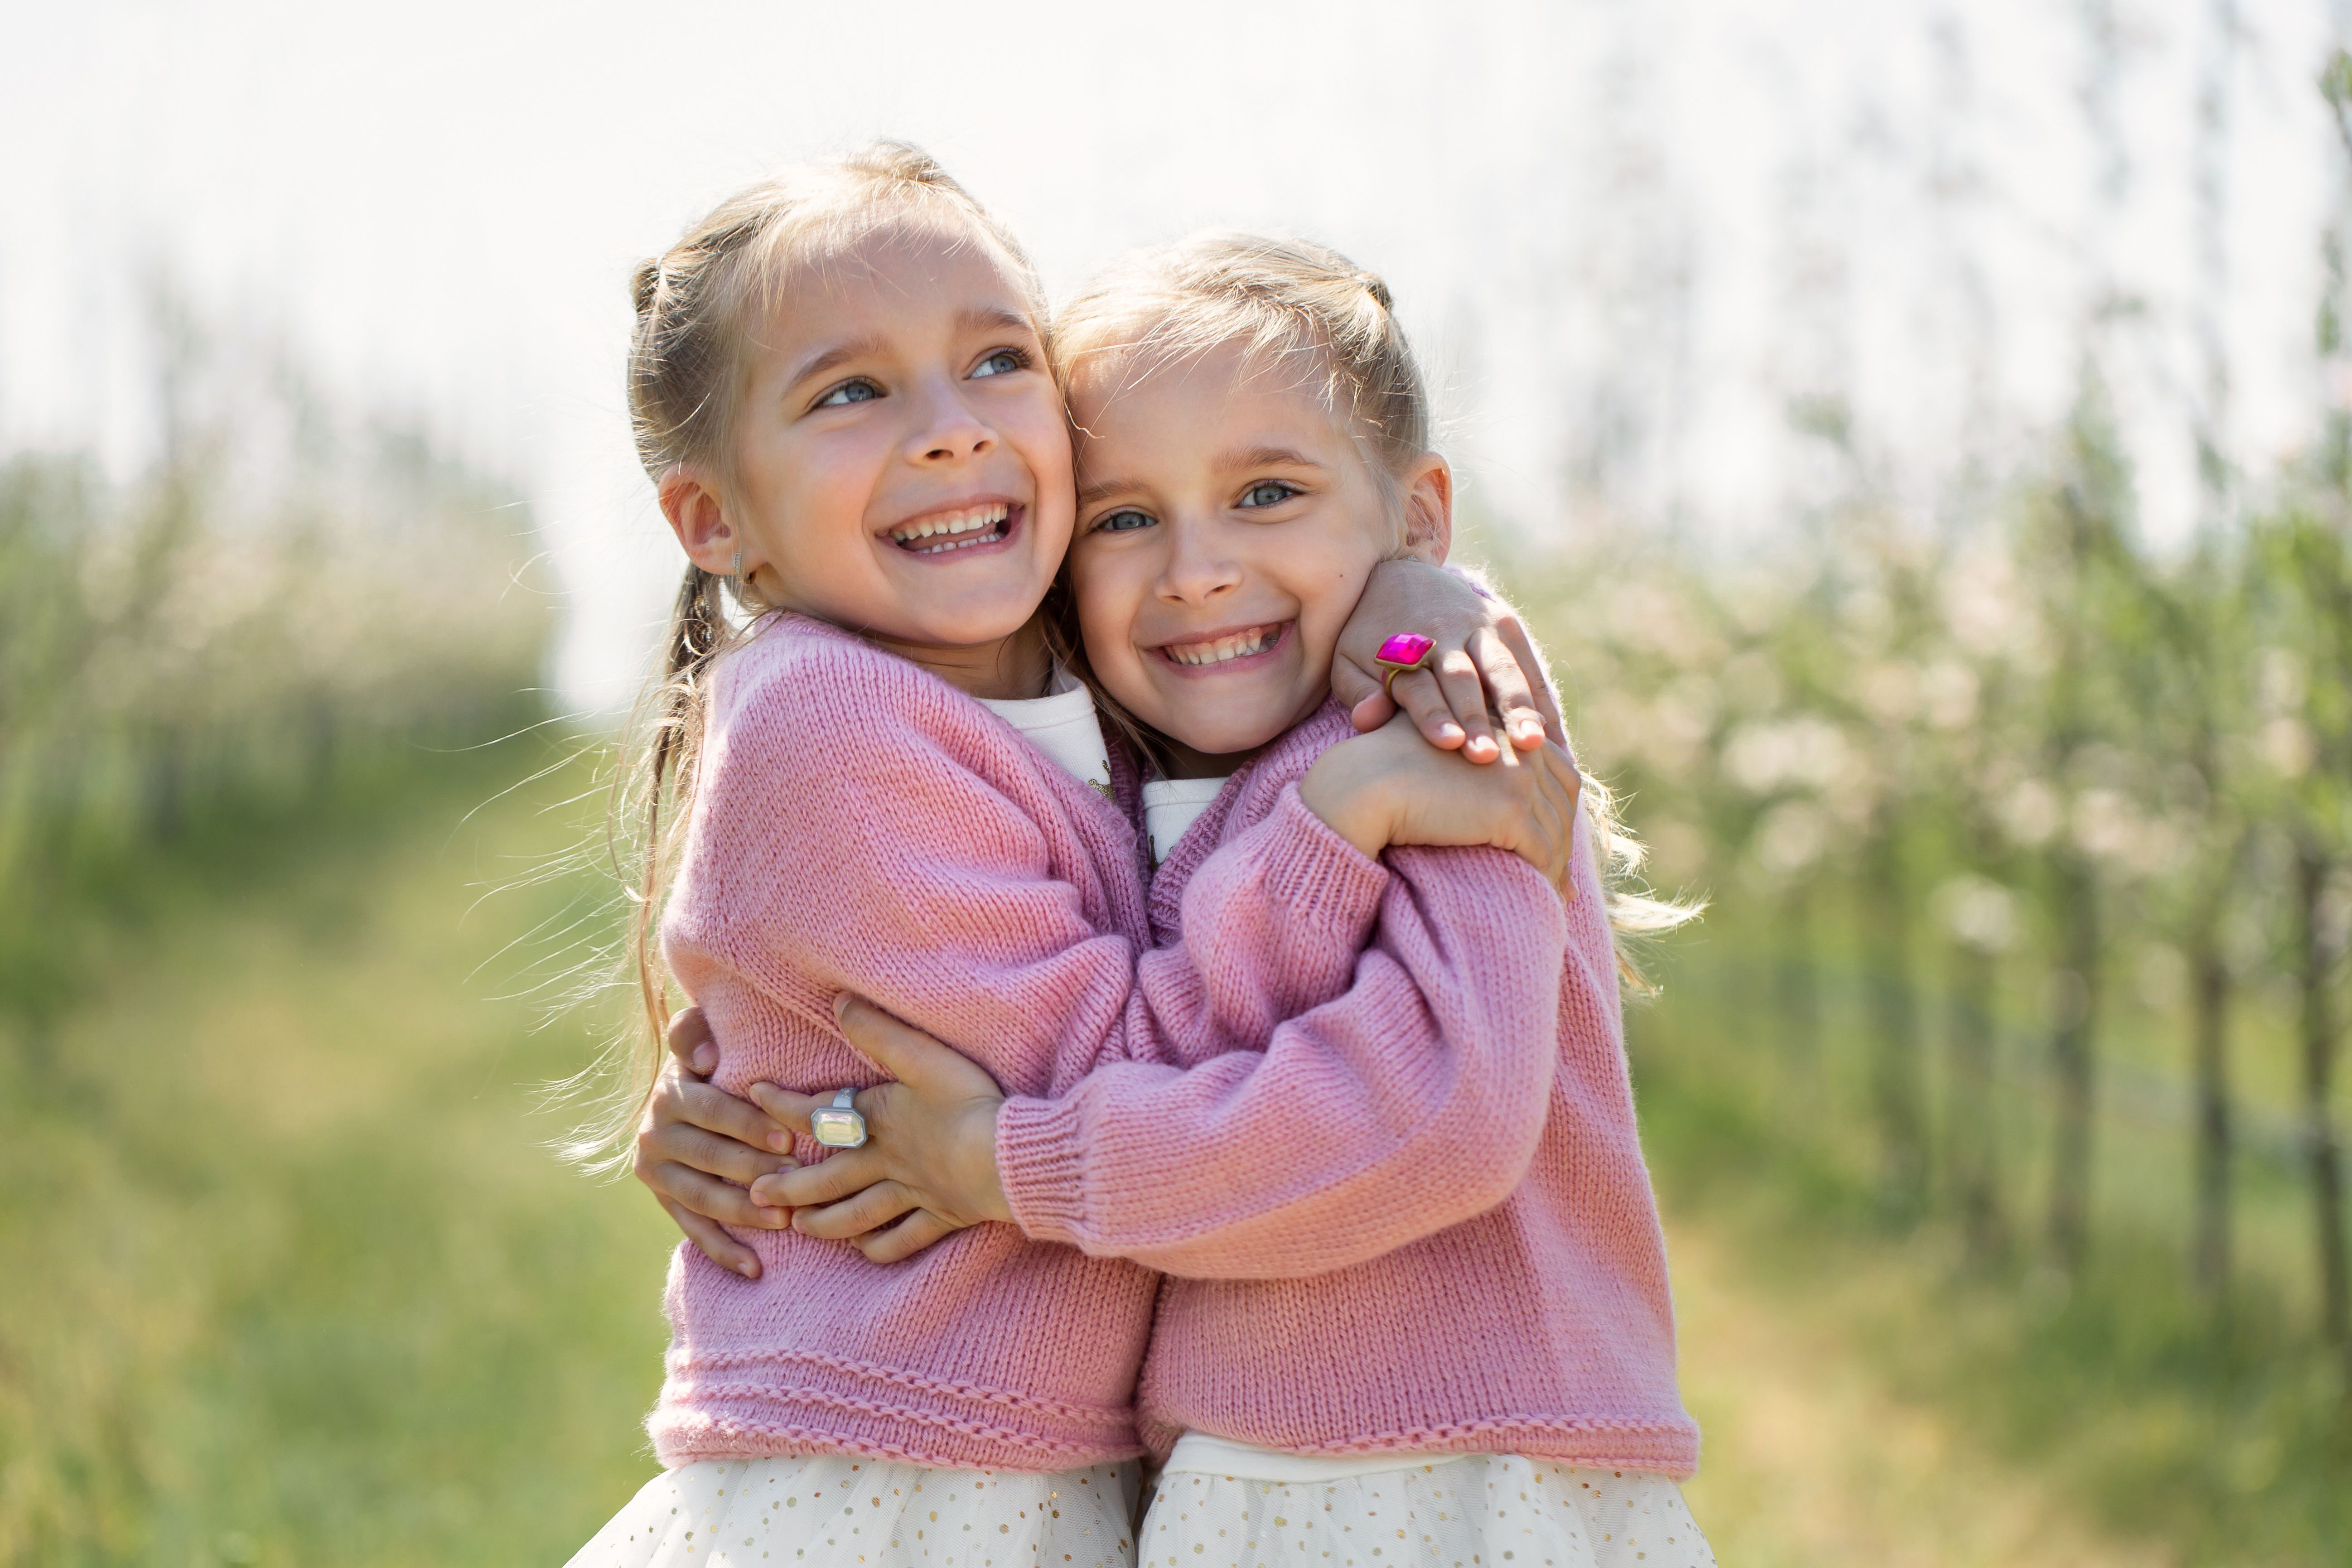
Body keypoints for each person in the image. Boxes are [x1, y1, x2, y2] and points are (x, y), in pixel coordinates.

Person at [571, 150, 1583, 1568]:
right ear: (715, 519)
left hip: (1161, 1469)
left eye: (995, 361)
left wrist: (1429, 597)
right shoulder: (828, 714)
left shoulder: (1179, 707)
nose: (945, 431)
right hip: (907, 1484)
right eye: (851, 391)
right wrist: (1330, 825)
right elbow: (1116, 1061)